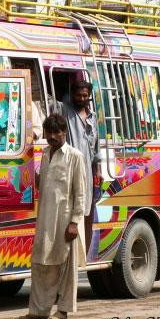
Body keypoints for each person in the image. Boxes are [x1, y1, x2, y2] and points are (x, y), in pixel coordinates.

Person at [17, 113, 87, 319]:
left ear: (64, 132)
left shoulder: (74, 156)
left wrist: (75, 222)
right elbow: (43, 185)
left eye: (56, 133)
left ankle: (63, 312)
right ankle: (38, 311)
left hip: (65, 221)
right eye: (49, 133)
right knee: (41, 263)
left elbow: (80, 192)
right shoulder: (45, 154)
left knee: (66, 267)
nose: (52, 137)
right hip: (45, 219)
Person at [63, 80, 102, 218]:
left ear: (89, 95)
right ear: (72, 95)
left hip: (87, 172)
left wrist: (98, 171)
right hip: (69, 171)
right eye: (78, 95)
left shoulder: (93, 117)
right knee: (70, 213)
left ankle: (85, 241)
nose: (82, 99)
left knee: (86, 213)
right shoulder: (66, 112)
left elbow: (96, 148)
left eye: (85, 96)